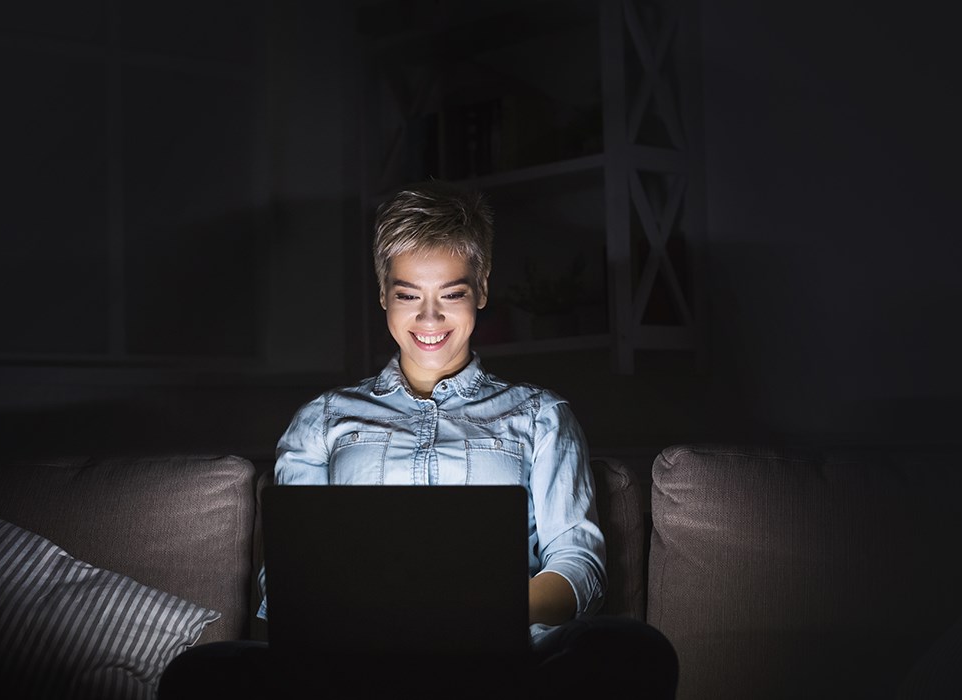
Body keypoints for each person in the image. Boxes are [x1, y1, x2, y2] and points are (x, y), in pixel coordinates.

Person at [158, 180, 678, 699]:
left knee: (631, 648)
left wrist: (482, 609)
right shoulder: (322, 420)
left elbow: (578, 562)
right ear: (384, 293)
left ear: (482, 289)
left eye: (451, 294)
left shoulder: (541, 416)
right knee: (201, 674)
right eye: (408, 295)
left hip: (507, 662)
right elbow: (288, 582)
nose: (429, 319)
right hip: (354, 663)